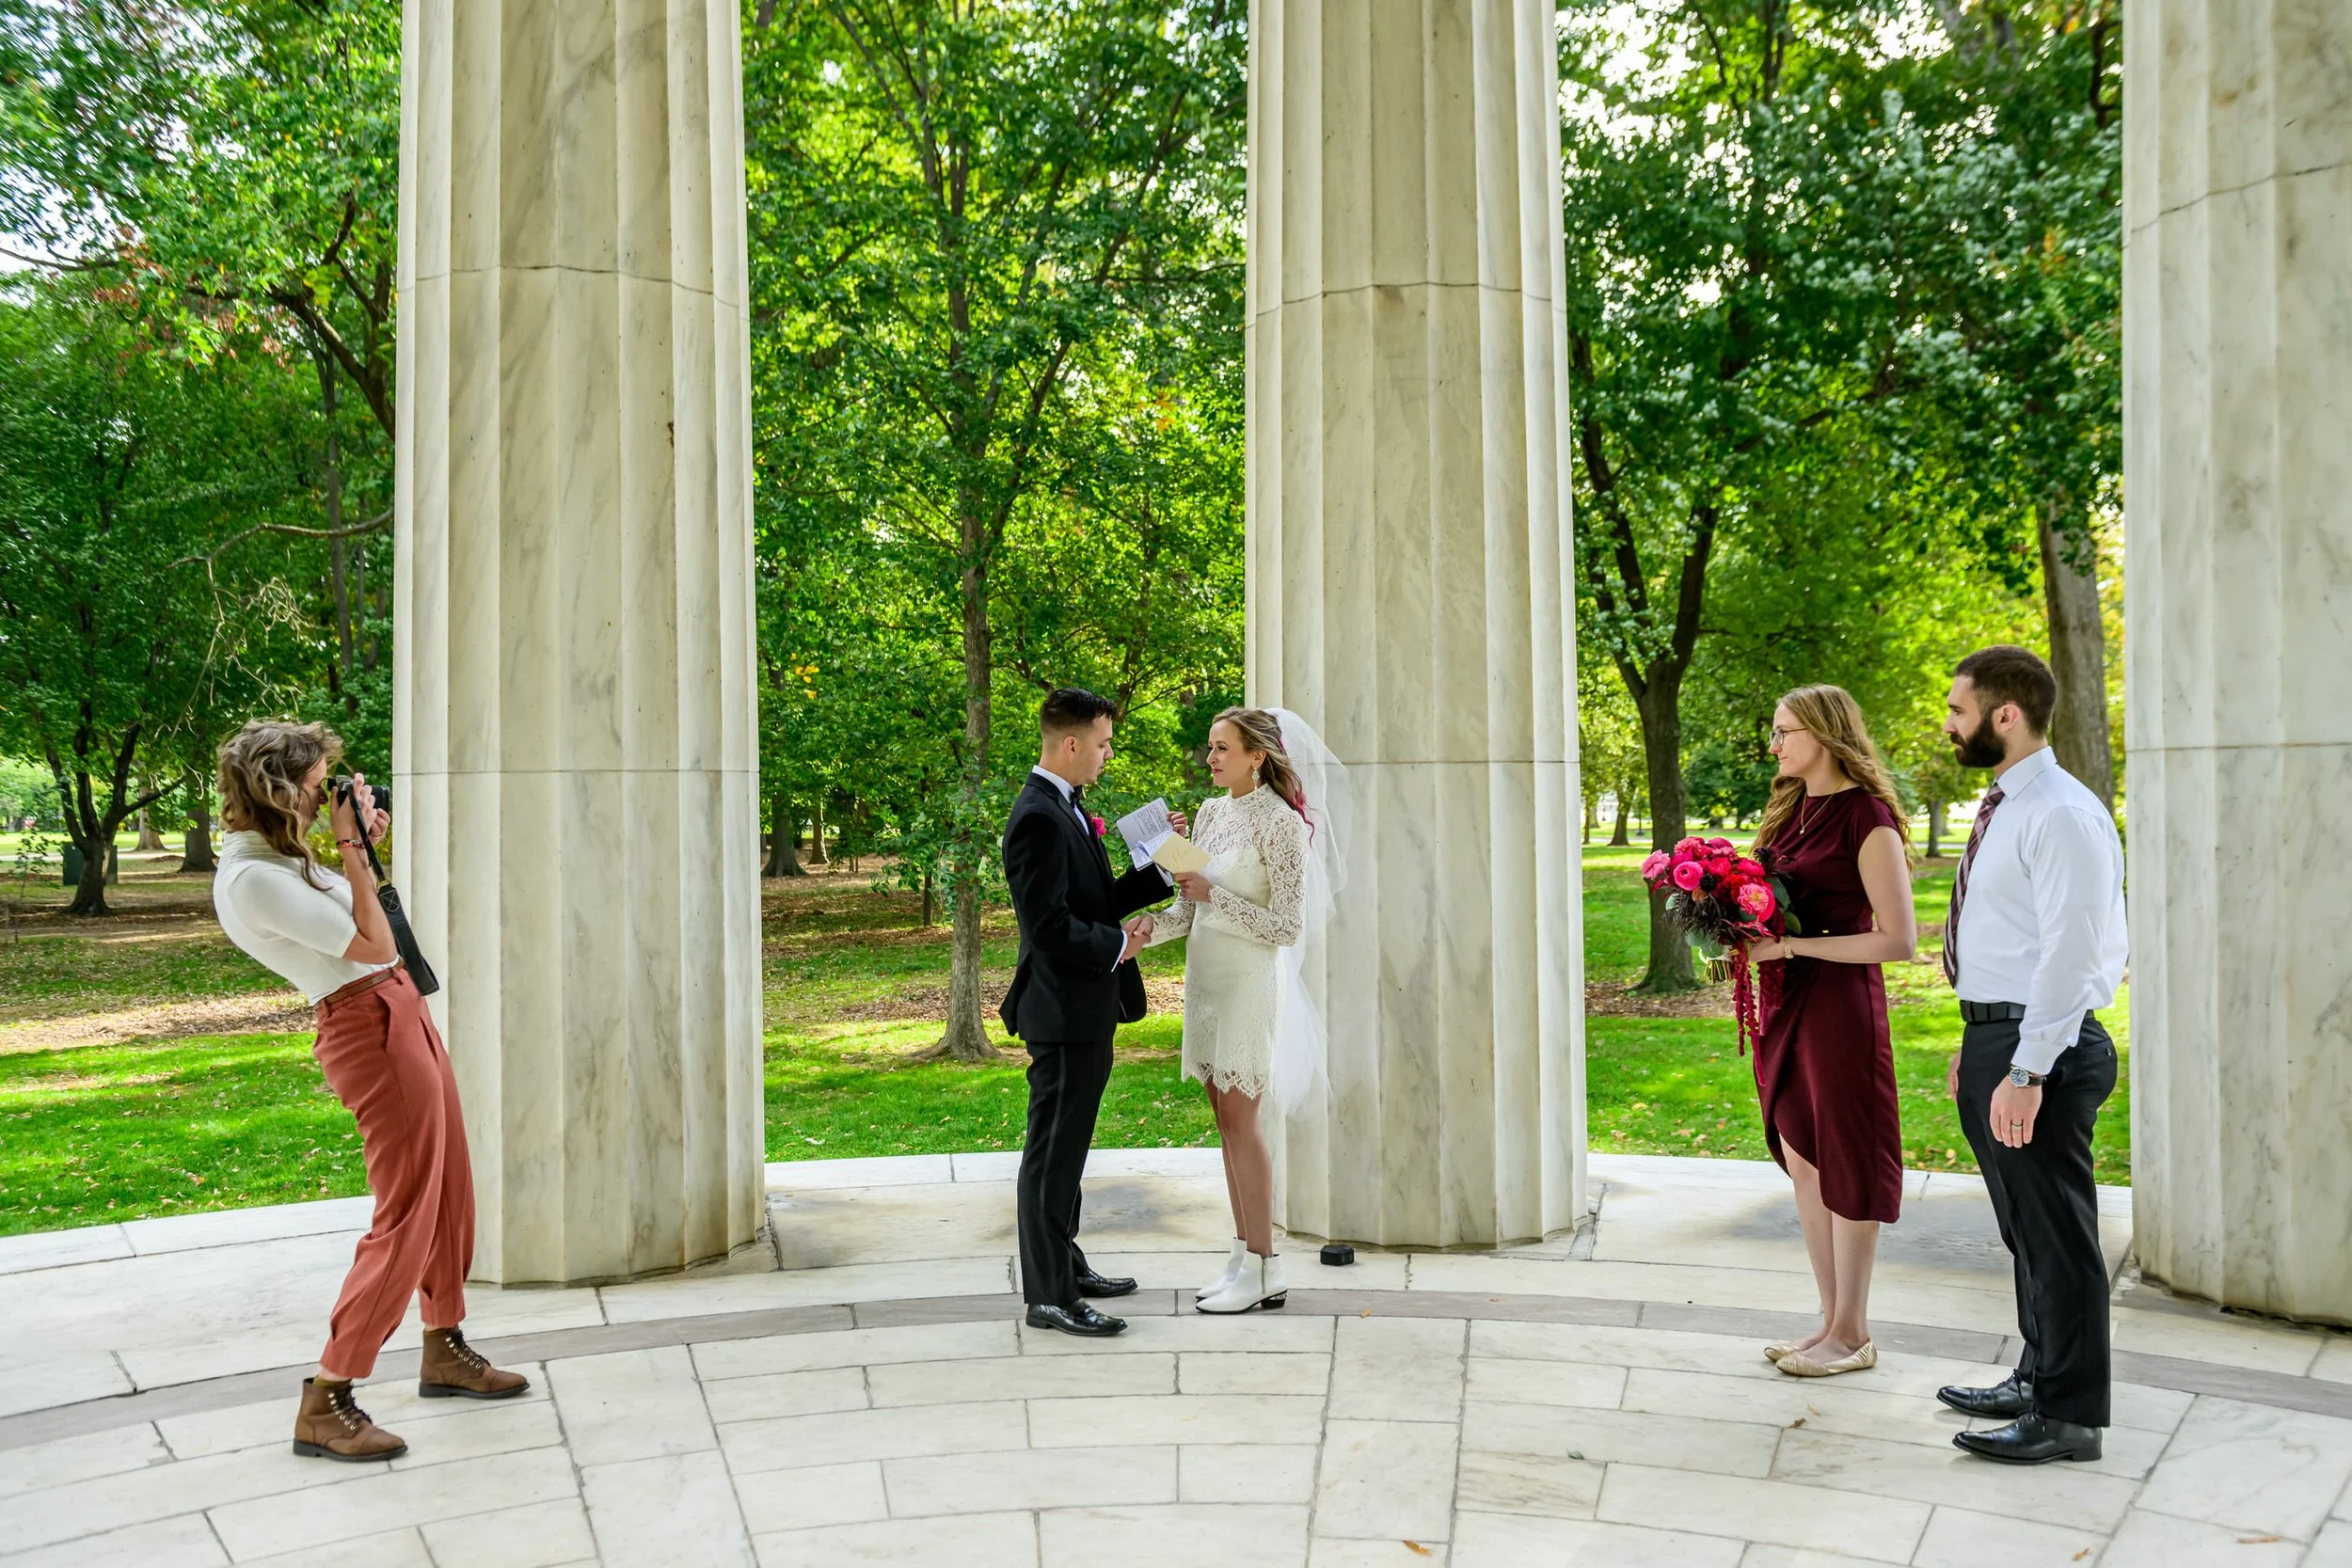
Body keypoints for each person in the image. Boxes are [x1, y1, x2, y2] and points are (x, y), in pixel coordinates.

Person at [210, 720, 526, 1464]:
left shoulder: (281, 856)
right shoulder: (253, 879)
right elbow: (374, 942)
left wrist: (359, 845)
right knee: (407, 1210)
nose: (329, 800)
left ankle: (444, 1345)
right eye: (319, 788)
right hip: (367, 1026)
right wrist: (351, 847)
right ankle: (328, 1395)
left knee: (448, 1187)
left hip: (396, 1005)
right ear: (281, 793)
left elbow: (368, 924)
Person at [1934, 645, 2126, 1465]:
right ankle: (2038, 1371)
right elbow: (2010, 943)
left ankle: (2069, 1416)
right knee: (2026, 1232)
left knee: (2058, 1239)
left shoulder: (2061, 812)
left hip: (2040, 1045)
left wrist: (2026, 1069)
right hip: (2001, 1036)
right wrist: (1976, 1044)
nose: (1948, 723)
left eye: (1958, 709)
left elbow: (2070, 959)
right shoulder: (2008, 804)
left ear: (2004, 715)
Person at [1741, 686, 1917, 1378]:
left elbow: (1897, 939)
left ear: (1822, 732)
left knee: (1843, 1152)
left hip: (1841, 1003)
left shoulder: (1866, 817)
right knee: (1804, 1155)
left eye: (1785, 731)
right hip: (1787, 1002)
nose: (1775, 744)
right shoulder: (1792, 809)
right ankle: (1828, 1322)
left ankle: (1854, 1331)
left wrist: (1792, 949)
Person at [1145, 707, 1342, 1315]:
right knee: (1224, 1126)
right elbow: (1189, 909)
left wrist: (1216, 895)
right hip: (1205, 984)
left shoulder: (1283, 825)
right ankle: (1240, 1256)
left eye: (1222, 748)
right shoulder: (1209, 814)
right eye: (1209, 748)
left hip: (1250, 986)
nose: (1211, 759)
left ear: (1257, 755)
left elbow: (1285, 926)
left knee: (1244, 1123)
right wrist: (1144, 929)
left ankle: (1266, 1265)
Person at [998, 689, 1178, 1337]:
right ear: (1070, 744)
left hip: (1084, 1010)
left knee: (1066, 1154)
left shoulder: (1067, 808)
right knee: (1049, 1156)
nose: (1107, 754)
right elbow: (1048, 926)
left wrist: (1160, 862)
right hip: (1061, 1012)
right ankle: (1048, 1296)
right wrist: (1116, 945)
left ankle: (1065, 1265)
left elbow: (1097, 897)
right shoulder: (1037, 818)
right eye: (1102, 743)